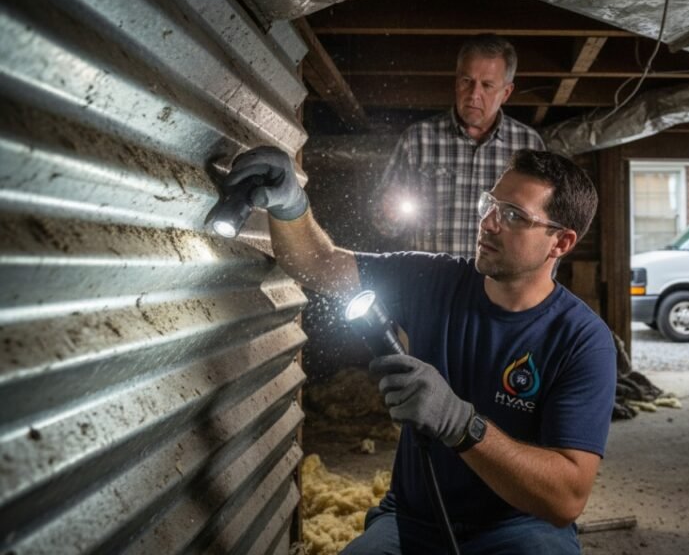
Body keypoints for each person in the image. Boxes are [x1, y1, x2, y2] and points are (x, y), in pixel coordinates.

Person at [226, 146, 616, 555]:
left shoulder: (582, 341)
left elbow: (566, 499)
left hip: (521, 528)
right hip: (413, 519)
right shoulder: (431, 279)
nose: (488, 223)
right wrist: (290, 205)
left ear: (562, 242)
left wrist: (463, 425)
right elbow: (317, 263)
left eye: (514, 216)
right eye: (491, 204)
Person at [377, 33, 545, 257]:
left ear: (506, 92)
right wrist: (387, 214)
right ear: (456, 82)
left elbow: (543, 229)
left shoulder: (528, 145)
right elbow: (384, 224)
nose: (474, 95)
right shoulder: (417, 139)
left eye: (486, 85)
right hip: (432, 284)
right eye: (467, 82)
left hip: (496, 287)